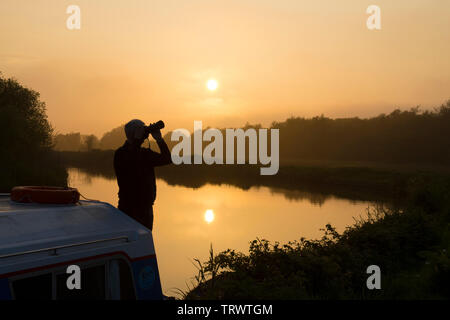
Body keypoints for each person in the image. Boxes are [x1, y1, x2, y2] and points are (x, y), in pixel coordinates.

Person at [113, 119, 172, 230]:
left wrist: (159, 139)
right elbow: (131, 161)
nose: (145, 132)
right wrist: (137, 139)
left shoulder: (144, 153)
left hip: (146, 209)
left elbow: (167, 159)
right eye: (141, 129)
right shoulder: (121, 154)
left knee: (144, 244)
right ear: (133, 133)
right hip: (128, 210)